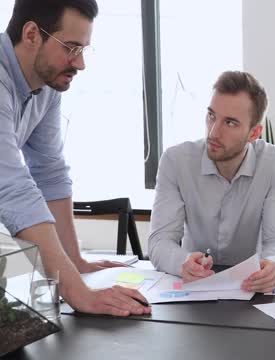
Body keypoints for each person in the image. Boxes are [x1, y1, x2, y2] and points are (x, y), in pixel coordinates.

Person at [0, 0, 151, 316]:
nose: (80, 63)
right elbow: (13, 189)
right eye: (70, 48)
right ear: (31, 34)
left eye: (83, 49)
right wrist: (77, 292)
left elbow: (50, 172)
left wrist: (75, 261)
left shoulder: (46, 86)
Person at [148, 71, 275, 294]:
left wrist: (273, 263)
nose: (214, 132)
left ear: (254, 132)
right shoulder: (175, 161)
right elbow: (159, 241)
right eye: (211, 116)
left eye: (231, 123)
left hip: (248, 290)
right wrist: (183, 262)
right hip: (192, 291)